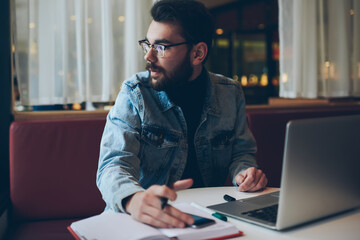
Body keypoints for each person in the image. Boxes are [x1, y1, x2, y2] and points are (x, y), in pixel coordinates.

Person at [96, 0, 267, 229]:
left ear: (197, 53)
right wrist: (133, 199)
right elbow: (113, 165)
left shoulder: (230, 93)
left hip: (205, 219)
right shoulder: (135, 93)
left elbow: (241, 152)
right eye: (148, 44)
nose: (148, 56)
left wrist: (245, 173)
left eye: (161, 47)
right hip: (140, 220)